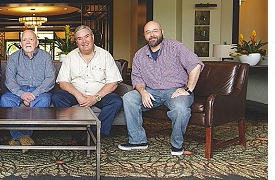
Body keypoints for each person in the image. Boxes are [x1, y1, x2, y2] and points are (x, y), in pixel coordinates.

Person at [119, 20, 203, 156]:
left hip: (175, 90)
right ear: (144, 36)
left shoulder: (175, 47)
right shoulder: (139, 55)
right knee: (129, 98)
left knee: (181, 109)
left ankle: (176, 144)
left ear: (161, 32)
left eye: (155, 31)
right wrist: (143, 91)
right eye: (148, 32)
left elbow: (195, 65)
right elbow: (137, 79)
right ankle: (138, 140)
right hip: (151, 91)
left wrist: (188, 89)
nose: (152, 35)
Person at [52, 25, 123, 137]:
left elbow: (113, 83)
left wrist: (95, 98)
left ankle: (96, 133)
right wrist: (79, 96)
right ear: (76, 42)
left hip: (99, 95)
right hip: (76, 95)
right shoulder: (70, 57)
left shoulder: (105, 55)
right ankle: (77, 134)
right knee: (57, 97)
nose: (84, 41)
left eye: (86, 36)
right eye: (80, 38)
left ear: (92, 37)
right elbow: (63, 82)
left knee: (116, 101)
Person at [0, 29, 55, 146]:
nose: (28, 42)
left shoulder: (45, 56)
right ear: (20, 44)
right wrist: (22, 94)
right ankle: (23, 137)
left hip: (39, 91)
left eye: (31, 39)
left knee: (45, 100)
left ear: (37, 42)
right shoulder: (13, 57)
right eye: (24, 40)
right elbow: (9, 79)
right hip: (18, 91)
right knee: (5, 99)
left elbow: (50, 79)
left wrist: (34, 94)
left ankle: (19, 137)